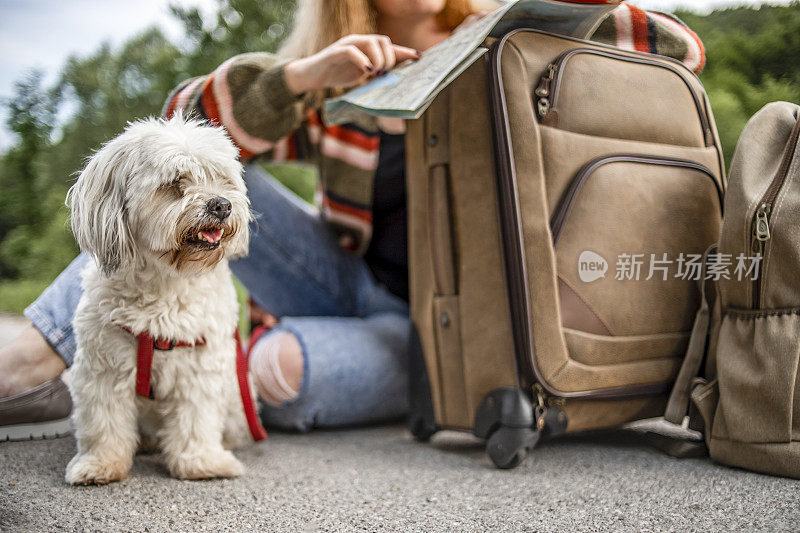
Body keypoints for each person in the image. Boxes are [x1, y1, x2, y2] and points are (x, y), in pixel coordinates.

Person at [0, 0, 705, 439]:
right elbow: (176, 130)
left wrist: (534, 25)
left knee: (279, 373)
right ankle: (36, 357)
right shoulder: (347, 80)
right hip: (344, 281)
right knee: (206, 182)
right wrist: (302, 79)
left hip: (440, 328)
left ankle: (197, 370)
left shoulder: (509, 49)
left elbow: (681, 50)